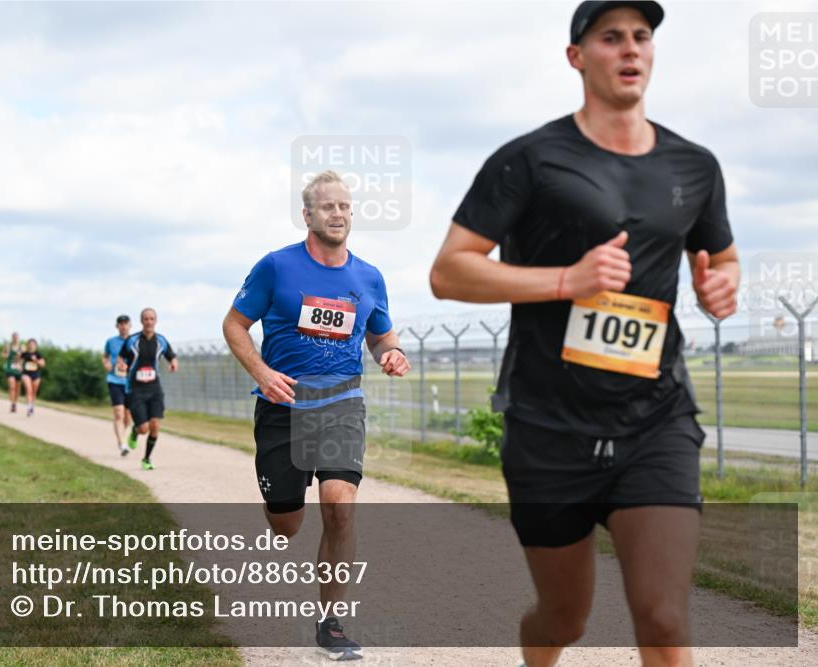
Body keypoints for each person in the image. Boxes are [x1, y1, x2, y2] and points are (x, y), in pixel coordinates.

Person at [429, 3, 739, 666]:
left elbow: (723, 256)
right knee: (563, 617)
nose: (630, 49)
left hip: (656, 418)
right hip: (548, 427)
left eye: (642, 36)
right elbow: (449, 272)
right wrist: (566, 280)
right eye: (610, 38)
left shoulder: (695, 166)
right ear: (577, 57)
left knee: (662, 615)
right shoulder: (529, 160)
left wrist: (723, 285)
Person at [223, 170, 409, 661]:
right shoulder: (276, 267)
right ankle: (281, 500)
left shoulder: (368, 277)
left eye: (345, 206)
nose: (339, 214)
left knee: (339, 504)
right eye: (328, 207)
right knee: (286, 525)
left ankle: (330, 623)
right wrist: (262, 373)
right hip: (283, 405)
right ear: (307, 215)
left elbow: (381, 335)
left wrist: (391, 353)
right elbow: (235, 324)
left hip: (342, 404)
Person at [117, 308, 178, 470]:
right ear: (141, 321)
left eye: (152, 319)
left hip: (154, 388)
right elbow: (121, 357)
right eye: (146, 319)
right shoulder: (132, 340)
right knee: (144, 428)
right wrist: (121, 364)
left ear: (155, 321)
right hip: (135, 390)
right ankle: (135, 432)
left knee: (155, 425)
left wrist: (173, 362)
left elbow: (171, 356)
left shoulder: (161, 341)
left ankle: (146, 459)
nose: (149, 322)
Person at [103, 315, 134, 456]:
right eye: (120, 324)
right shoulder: (111, 341)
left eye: (125, 324)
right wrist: (107, 363)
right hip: (115, 380)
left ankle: (122, 438)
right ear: (117, 326)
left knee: (128, 417)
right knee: (118, 413)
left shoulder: (135, 341)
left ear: (130, 325)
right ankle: (122, 444)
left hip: (131, 382)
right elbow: (105, 356)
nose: (123, 326)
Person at [20, 338, 46, 417]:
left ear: (36, 346)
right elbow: (17, 360)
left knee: (34, 392)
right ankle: (28, 408)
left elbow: (43, 364)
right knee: (29, 390)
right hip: (26, 374)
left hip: (36, 375)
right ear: (28, 345)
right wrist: (20, 353)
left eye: (33, 344)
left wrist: (36, 361)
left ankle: (31, 406)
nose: (31, 346)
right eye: (30, 344)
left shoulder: (38, 354)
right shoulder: (25, 353)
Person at [3, 332, 23, 413]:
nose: (15, 338)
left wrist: (21, 364)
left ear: (18, 338)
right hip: (10, 369)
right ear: (12, 338)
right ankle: (12, 404)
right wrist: (6, 354)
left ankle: (15, 402)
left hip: (18, 370)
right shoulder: (8, 346)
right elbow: (3, 355)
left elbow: (25, 357)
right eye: (14, 337)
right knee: (12, 386)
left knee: (17, 388)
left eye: (16, 337)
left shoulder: (22, 347)